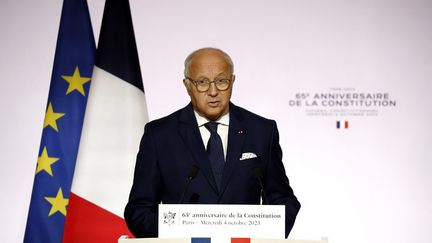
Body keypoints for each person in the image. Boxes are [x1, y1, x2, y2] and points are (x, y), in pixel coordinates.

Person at [124, 47, 300, 238]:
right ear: (187, 85)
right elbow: (139, 210)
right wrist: (176, 234)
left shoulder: (261, 131)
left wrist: (263, 236)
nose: (213, 91)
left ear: (232, 82)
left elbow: (283, 199)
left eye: (221, 81)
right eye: (202, 82)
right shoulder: (159, 135)